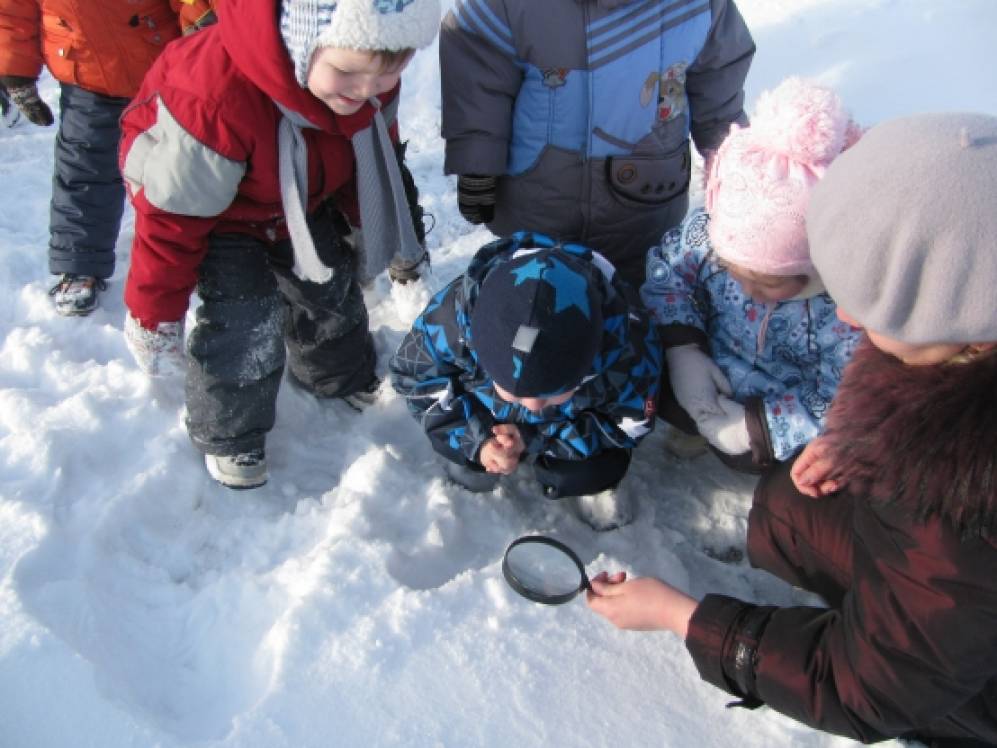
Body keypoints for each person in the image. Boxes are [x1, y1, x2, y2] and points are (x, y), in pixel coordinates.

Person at [586, 112, 997, 746]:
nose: (849, 314)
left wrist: (681, 616)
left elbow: (860, 687)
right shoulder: (950, 348)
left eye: (872, 301)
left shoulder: (967, 506)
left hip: (964, 680)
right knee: (790, 500)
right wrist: (686, 348)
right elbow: (675, 271)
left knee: (925, 692)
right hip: (936, 586)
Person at [119, 0, 439, 489]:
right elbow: (172, 219)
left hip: (303, 195)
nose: (366, 92)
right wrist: (153, 313)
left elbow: (375, 166)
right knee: (244, 318)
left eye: (387, 77)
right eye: (349, 73)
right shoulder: (213, 95)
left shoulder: (365, 88)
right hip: (217, 214)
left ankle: (338, 374)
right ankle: (231, 431)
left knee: (329, 286)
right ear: (301, 41)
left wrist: (381, 240)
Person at [439, 0, 755, 289]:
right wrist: (476, 161)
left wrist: (737, 173)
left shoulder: (698, 6)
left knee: (642, 310)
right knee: (535, 313)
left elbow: (720, 92)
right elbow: (478, 73)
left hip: (648, 202)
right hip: (541, 207)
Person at [641, 78, 862, 473]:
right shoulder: (713, 234)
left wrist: (759, 427)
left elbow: (844, 397)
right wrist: (682, 348)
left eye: (768, 283)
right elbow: (669, 273)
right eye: (732, 269)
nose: (745, 287)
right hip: (709, 368)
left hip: (773, 403)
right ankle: (695, 418)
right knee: (652, 377)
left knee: (749, 454)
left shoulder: (847, 310)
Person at [389, 233, 661, 529]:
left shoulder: (630, 350)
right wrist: (477, 440)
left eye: (556, 391)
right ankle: (477, 456)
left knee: (592, 470)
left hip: (572, 425)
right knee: (453, 438)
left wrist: (538, 437)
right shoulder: (449, 323)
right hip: (486, 414)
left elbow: (629, 426)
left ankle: (581, 482)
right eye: (510, 391)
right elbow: (416, 379)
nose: (533, 407)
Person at [0, 0, 215, 316]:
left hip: (162, 62)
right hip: (86, 68)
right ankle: (79, 262)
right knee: (84, 170)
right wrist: (14, 68)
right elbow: (12, 8)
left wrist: (205, 24)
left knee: (183, 167)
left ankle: (203, 255)